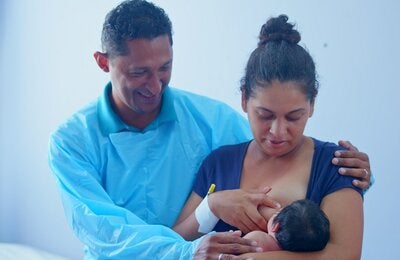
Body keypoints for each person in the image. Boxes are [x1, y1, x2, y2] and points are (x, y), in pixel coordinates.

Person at [47, 1, 371, 258]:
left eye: (165, 68)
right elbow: (105, 232)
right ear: (104, 63)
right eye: (139, 72)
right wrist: (195, 237)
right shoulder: (71, 143)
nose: (155, 85)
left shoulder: (212, 120)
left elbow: (281, 159)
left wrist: (350, 179)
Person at [174, 14, 365, 259]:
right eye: (265, 115)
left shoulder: (337, 165)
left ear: (312, 105)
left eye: (294, 117)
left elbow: (345, 255)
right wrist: (211, 207)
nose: (277, 131)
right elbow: (174, 243)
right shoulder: (219, 163)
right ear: (244, 99)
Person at [243, 199, 330, 252]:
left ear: (276, 227)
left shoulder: (259, 239)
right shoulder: (306, 251)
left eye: (277, 213)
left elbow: (236, 250)